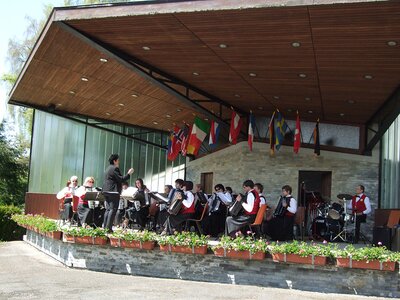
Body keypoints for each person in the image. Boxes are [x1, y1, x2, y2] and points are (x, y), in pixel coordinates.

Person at [102, 154, 134, 232]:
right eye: (118, 160)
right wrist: (129, 174)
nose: (118, 162)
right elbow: (121, 179)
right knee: (113, 209)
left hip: (106, 191)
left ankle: (105, 227)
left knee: (108, 209)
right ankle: (108, 228)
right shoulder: (115, 168)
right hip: (113, 191)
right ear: (114, 161)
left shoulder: (108, 169)